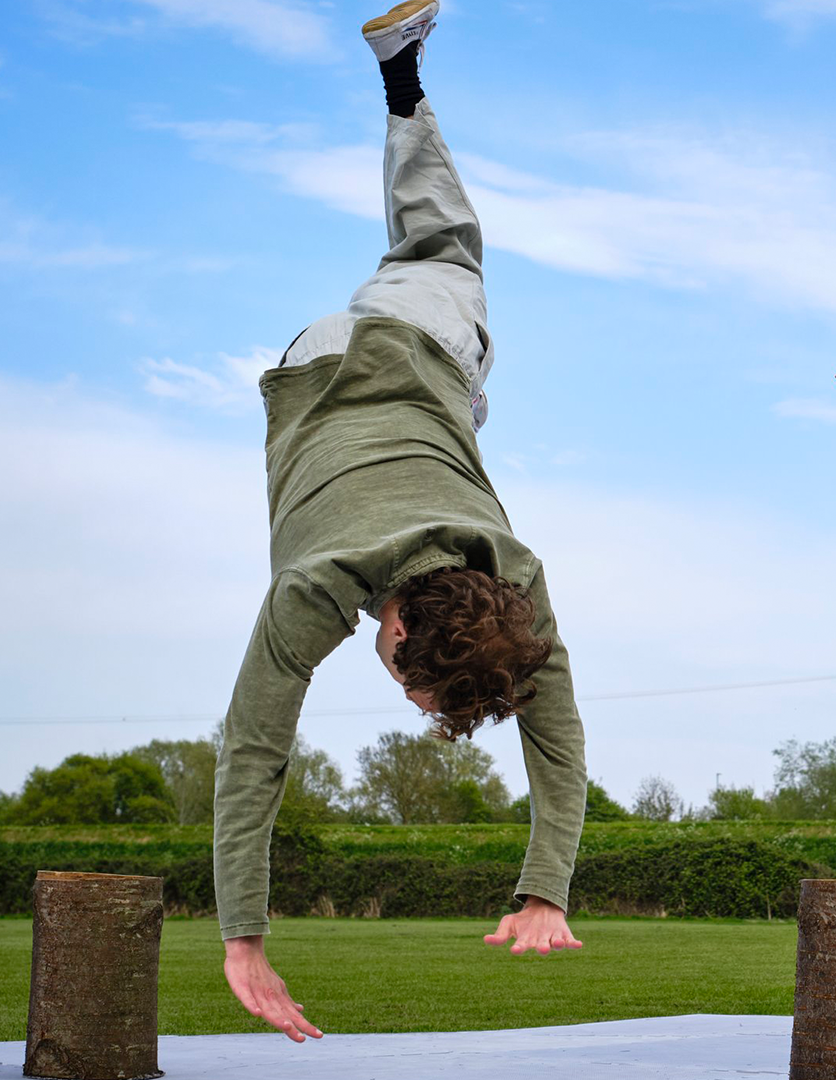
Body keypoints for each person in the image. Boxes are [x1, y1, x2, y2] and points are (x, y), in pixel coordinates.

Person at [212, 1, 587, 1043]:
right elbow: (252, 748)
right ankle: (400, 79)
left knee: (448, 251)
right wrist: (240, 937)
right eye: (403, 675)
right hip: (310, 362)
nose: (387, 675)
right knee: (450, 256)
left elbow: (557, 741)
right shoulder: (312, 590)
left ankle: (403, 80)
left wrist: (547, 885)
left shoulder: (517, 572)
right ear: (401, 627)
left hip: (399, 339)